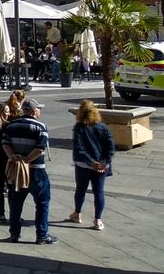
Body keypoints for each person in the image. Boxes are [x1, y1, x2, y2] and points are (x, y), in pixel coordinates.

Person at [3, 97, 57, 244]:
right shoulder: (41, 127)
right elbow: (39, 149)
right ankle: (42, 235)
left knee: (15, 203)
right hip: (37, 171)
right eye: (39, 109)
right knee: (42, 203)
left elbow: (5, 144)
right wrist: (27, 160)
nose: (40, 111)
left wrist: (14, 158)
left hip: (17, 170)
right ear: (34, 111)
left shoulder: (10, 126)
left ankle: (14, 234)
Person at [69, 99, 115, 231]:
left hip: (83, 165)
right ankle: (98, 220)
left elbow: (79, 148)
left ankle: (77, 213)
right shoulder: (103, 127)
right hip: (101, 166)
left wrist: (90, 162)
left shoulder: (79, 127)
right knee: (99, 192)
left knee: (80, 190)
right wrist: (104, 162)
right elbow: (110, 147)